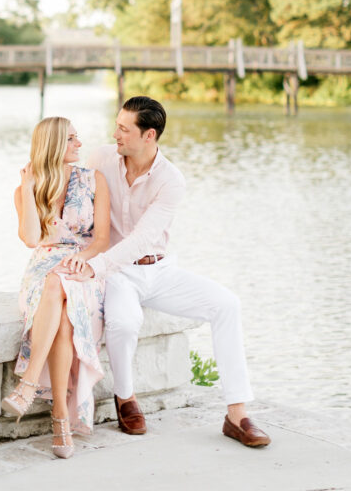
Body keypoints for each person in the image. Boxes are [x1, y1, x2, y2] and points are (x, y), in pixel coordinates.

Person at [57, 95, 270, 449]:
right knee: (124, 322)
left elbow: (142, 240)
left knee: (227, 305)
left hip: (160, 269)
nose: (116, 134)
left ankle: (237, 414)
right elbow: (65, 189)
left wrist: (92, 267)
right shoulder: (101, 159)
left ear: (149, 136)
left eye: (124, 129)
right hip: (118, 274)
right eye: (117, 125)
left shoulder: (172, 180)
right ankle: (125, 398)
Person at [1, 115, 110, 459]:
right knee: (56, 295)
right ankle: (60, 418)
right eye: (72, 139)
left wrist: (85, 260)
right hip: (44, 270)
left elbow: (103, 239)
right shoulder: (25, 191)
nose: (79, 144)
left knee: (61, 286)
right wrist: (31, 189)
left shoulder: (95, 180)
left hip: (83, 266)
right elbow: (32, 239)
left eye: (78, 138)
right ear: (54, 146)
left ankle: (29, 386)